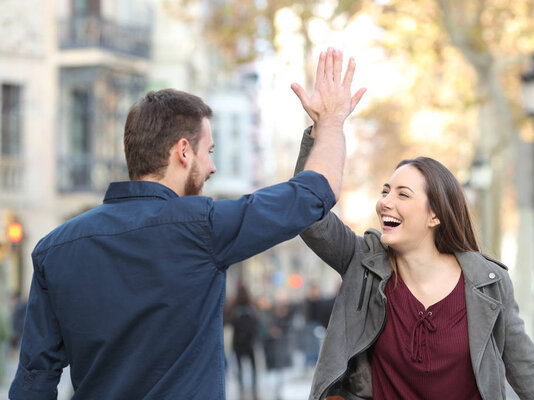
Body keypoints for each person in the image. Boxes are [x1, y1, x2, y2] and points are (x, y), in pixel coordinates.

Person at [8, 47, 366, 400]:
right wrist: (331, 121)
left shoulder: (53, 249)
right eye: (209, 151)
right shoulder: (204, 228)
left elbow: (34, 382)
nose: (212, 167)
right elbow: (315, 192)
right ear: (182, 151)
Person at [294, 129, 534, 400]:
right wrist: (322, 130)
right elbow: (308, 217)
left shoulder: (487, 282)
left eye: (403, 195)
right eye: (385, 192)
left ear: (435, 216)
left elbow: (529, 371)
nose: (384, 202)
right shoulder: (362, 261)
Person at [229, 284, 259, 399]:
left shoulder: (234, 308)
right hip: (249, 342)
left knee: (240, 368)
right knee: (253, 367)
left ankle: (241, 389)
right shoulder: (251, 308)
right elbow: (255, 324)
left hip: (238, 343)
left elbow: (230, 323)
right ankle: (254, 388)